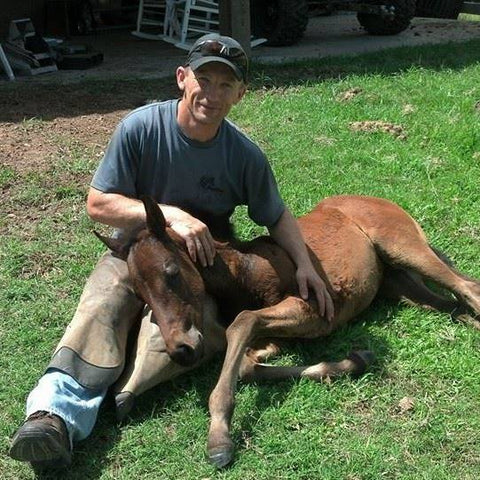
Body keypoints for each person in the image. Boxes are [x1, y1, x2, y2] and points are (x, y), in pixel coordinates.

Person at [9, 33, 334, 469]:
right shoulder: (141, 128)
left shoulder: (243, 155)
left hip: (204, 264)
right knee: (102, 305)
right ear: (182, 78)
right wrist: (169, 215)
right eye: (203, 79)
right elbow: (98, 202)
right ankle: (53, 416)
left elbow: (276, 215)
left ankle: (117, 398)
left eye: (225, 85)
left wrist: (305, 263)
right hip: (140, 250)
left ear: (240, 94)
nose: (211, 94)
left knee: (174, 340)